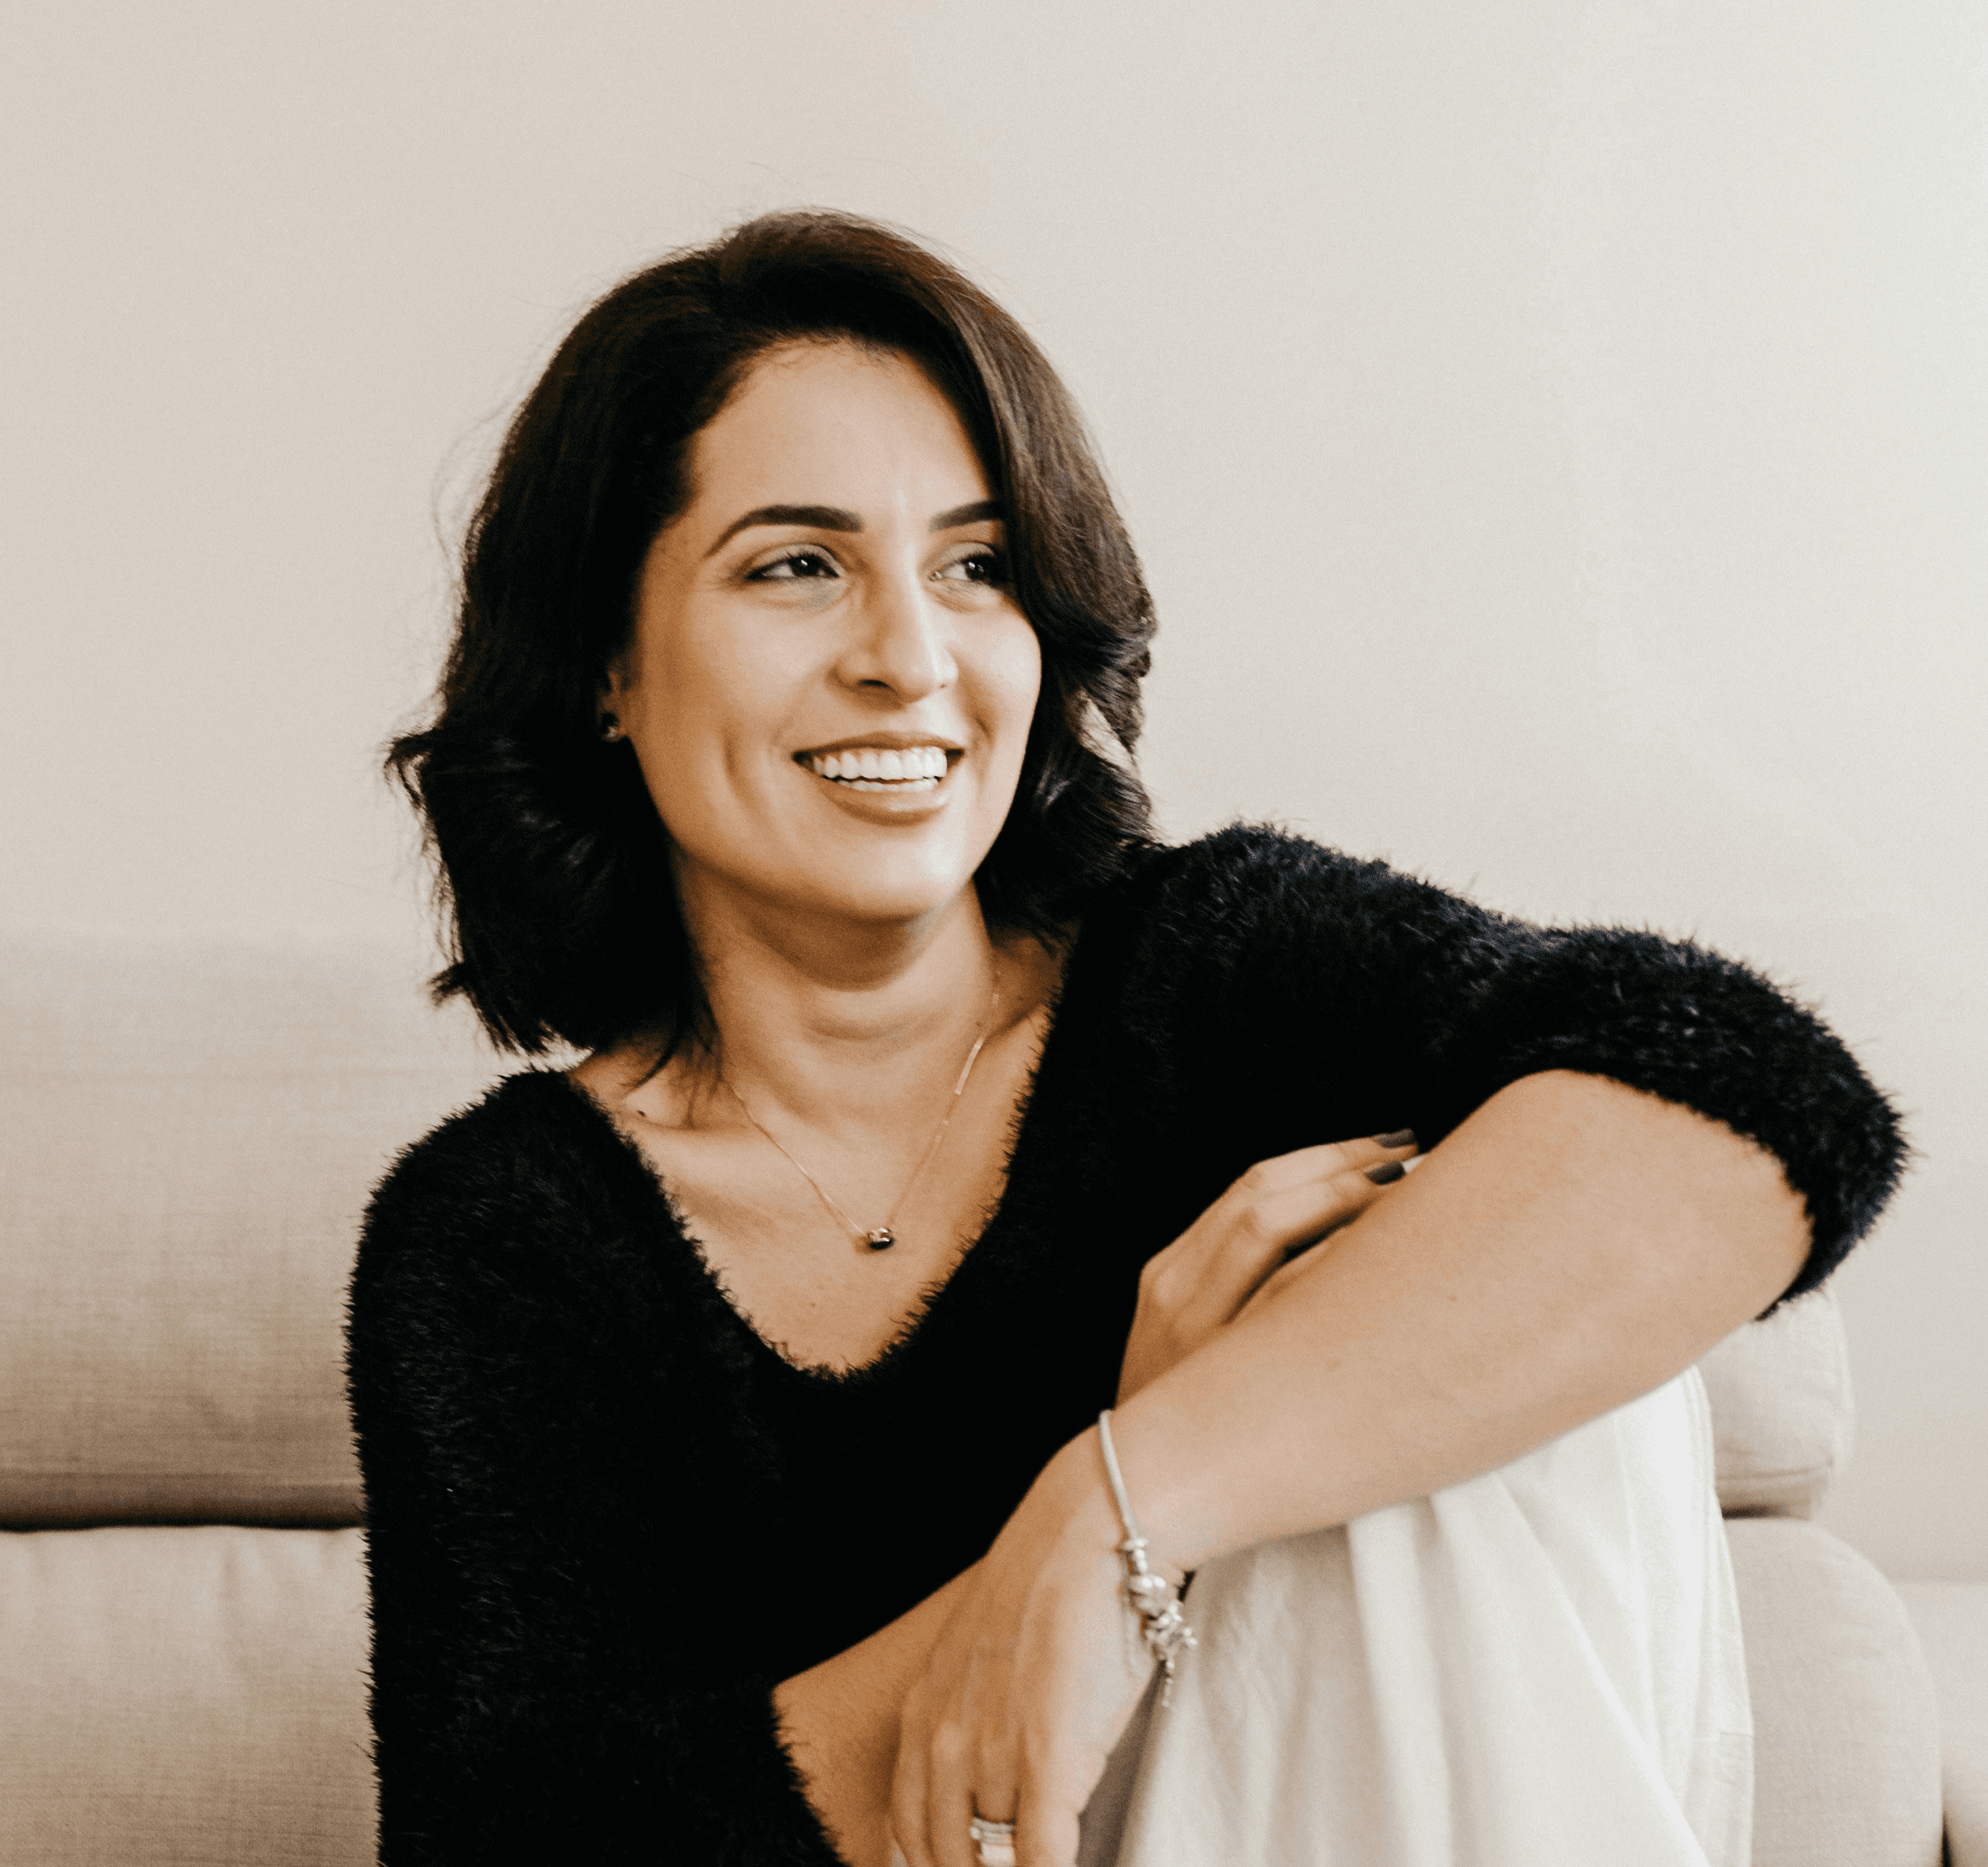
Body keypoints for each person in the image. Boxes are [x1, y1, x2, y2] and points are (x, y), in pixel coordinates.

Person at [346, 211, 1904, 1867]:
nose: (906, 657)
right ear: (604, 661)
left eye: (976, 566)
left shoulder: (1218, 969)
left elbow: (1759, 1104)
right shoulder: (503, 1239)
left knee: (1451, 1303)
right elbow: (513, 1842)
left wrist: (1135, 1498)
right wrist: (1054, 1568)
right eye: (796, 565)